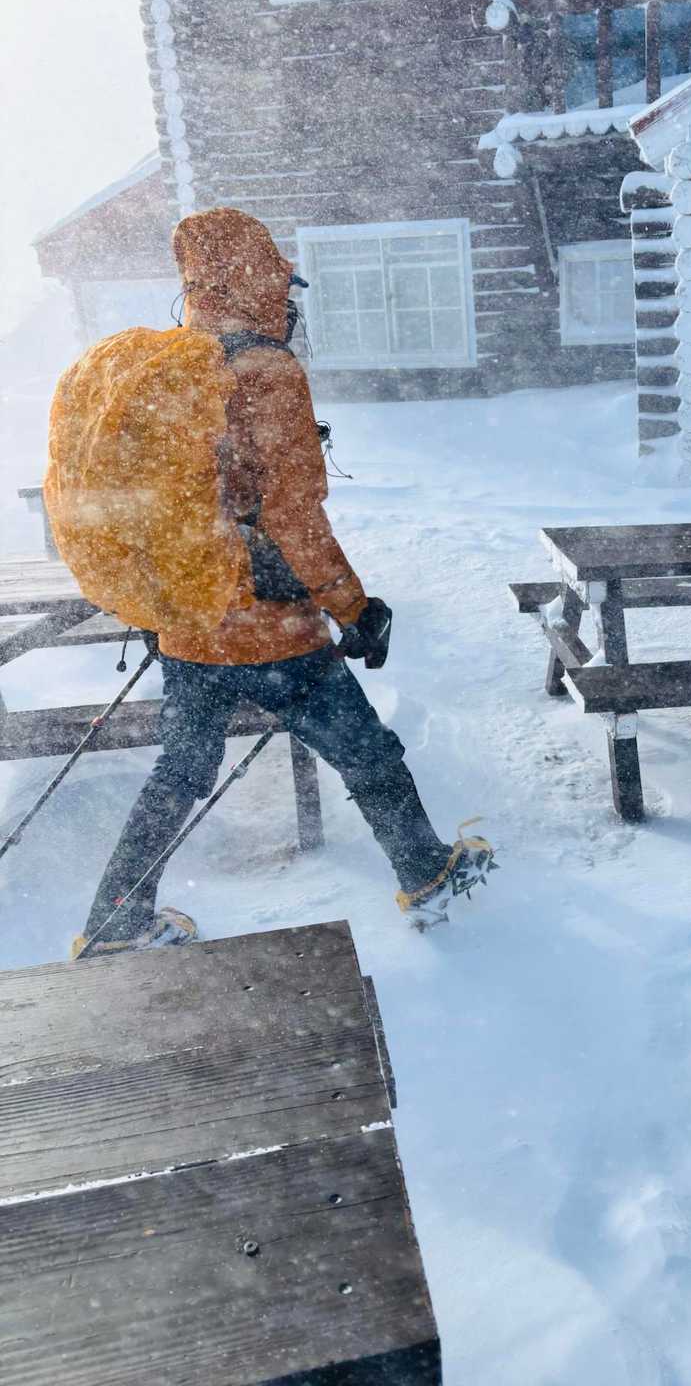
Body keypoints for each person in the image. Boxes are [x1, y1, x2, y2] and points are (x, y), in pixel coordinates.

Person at [70, 207, 492, 957]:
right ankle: (428, 875)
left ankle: (115, 920)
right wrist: (355, 609)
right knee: (369, 755)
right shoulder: (265, 372)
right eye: (281, 282)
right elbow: (291, 514)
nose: (290, 302)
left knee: (182, 770)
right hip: (270, 625)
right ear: (258, 280)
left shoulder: (172, 366)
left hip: (189, 617)